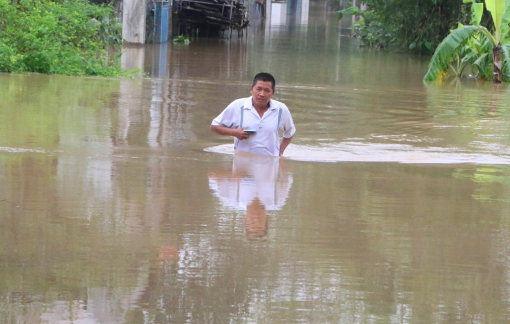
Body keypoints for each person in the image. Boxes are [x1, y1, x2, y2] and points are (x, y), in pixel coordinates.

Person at [210, 72, 296, 157]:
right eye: (258, 89)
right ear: (251, 89)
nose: (262, 94)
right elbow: (214, 126)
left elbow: (290, 132)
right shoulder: (238, 106)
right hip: (242, 163)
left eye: (267, 90)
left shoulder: (281, 109)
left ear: (273, 93)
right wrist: (234, 132)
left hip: (270, 163)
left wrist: (280, 152)